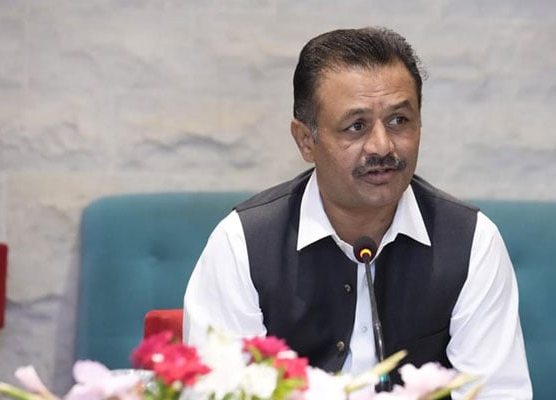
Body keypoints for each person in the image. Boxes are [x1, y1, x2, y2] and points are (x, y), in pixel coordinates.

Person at [184, 26, 532, 399]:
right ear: (306, 140)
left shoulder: (471, 242)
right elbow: (215, 392)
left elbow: (496, 393)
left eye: (399, 120)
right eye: (356, 126)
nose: (382, 145)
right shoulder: (242, 244)